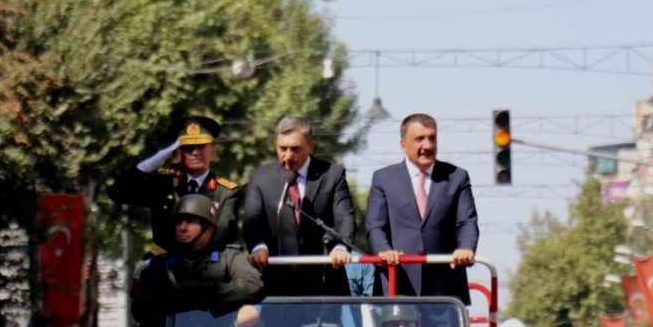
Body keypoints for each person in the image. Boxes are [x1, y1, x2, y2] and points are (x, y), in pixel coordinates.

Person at [133, 194, 265, 327]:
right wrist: (178, 300)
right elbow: (140, 307)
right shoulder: (161, 265)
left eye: (190, 222)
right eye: (178, 222)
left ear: (209, 228)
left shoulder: (228, 257)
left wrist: (209, 295)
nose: (182, 228)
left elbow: (252, 284)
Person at [363, 113, 479, 302]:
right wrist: (384, 251)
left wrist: (466, 248)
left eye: (432, 138)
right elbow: (375, 226)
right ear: (403, 145)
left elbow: (467, 222)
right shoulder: (383, 179)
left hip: (444, 290)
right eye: (419, 139)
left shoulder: (457, 177)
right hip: (397, 286)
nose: (428, 146)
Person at [243, 115, 356, 296]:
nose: (288, 156)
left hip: (323, 283)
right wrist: (259, 247)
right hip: (277, 284)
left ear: (311, 146)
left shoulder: (332, 175)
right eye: (282, 148)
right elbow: (252, 221)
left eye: (295, 149)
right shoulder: (261, 177)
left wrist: (340, 248)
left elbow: (344, 217)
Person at [109, 115, 242, 254]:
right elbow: (118, 193)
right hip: (164, 268)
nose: (195, 152)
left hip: (207, 268)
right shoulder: (163, 184)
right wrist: (148, 165)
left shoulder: (225, 192)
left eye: (201, 146)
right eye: (189, 147)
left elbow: (224, 234)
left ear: (212, 152)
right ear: (178, 154)